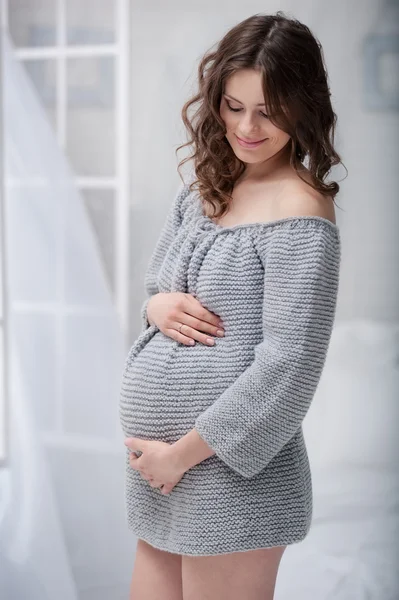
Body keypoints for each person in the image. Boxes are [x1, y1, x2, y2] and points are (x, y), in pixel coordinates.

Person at [119, 11, 344, 600]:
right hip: (160, 473)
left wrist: (182, 456)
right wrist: (157, 308)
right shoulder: (204, 184)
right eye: (233, 105)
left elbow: (289, 366)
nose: (246, 127)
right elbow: (157, 290)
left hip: (230, 475)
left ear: (303, 106)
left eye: (268, 110)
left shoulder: (303, 212)